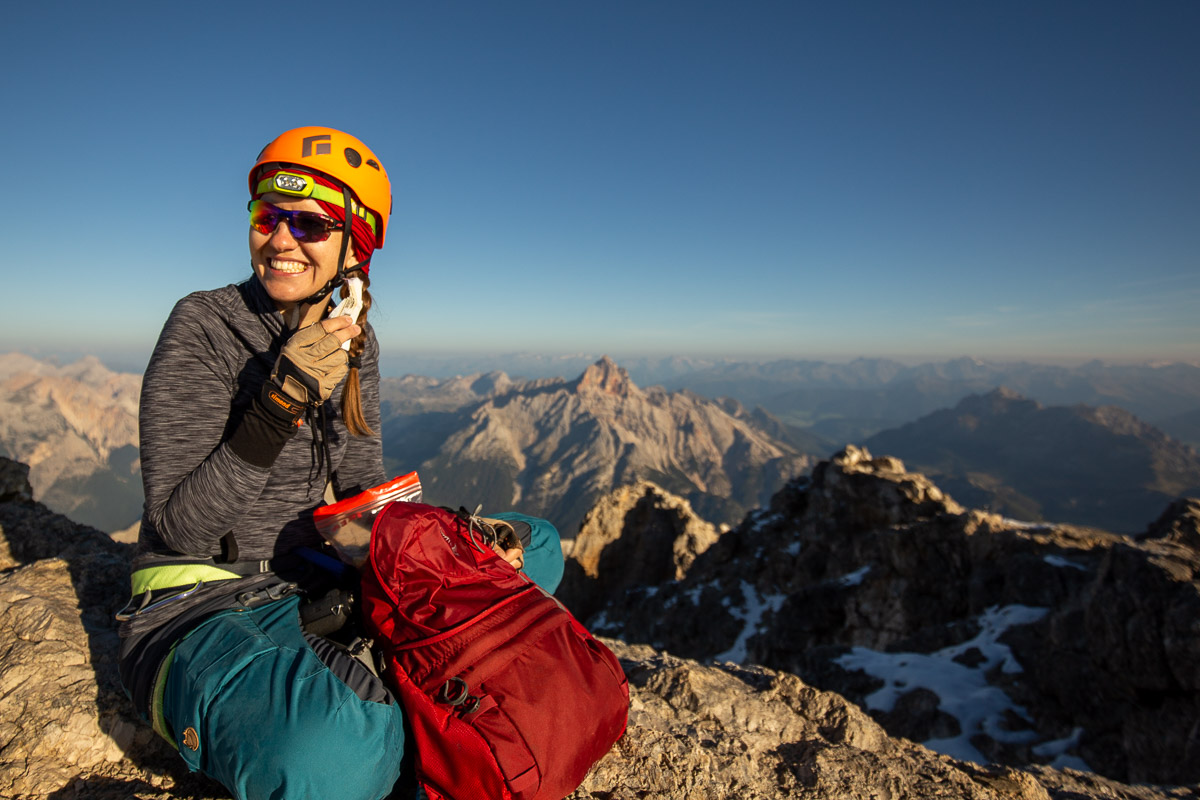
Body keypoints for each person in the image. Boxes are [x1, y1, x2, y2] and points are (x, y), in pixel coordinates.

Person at [116, 126, 564, 800]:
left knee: (539, 545)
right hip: (201, 603)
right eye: (268, 216)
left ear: (356, 246)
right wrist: (279, 403)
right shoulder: (203, 325)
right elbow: (181, 530)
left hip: (314, 578)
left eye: (311, 223)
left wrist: (442, 555)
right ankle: (372, 702)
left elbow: (360, 487)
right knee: (340, 754)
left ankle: (364, 682)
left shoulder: (356, 341)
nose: (281, 238)